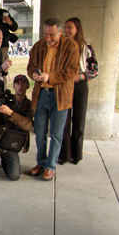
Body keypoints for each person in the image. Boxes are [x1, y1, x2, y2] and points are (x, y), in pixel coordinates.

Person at [27, 18, 80, 181]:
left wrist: (50, 76)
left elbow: (72, 71)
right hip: (42, 94)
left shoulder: (71, 46)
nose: (48, 39)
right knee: (40, 132)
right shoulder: (38, 46)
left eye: (52, 35)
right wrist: (34, 74)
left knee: (56, 133)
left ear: (60, 32)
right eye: (45, 35)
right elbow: (30, 67)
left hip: (60, 96)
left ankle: (51, 166)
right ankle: (41, 162)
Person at [59, 17, 99, 165]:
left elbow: (94, 70)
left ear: (77, 29)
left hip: (80, 86)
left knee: (79, 121)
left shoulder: (86, 47)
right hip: (65, 86)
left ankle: (76, 154)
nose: (67, 30)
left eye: (70, 27)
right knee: (64, 121)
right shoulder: (61, 47)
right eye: (66, 27)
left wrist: (80, 77)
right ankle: (64, 154)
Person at [0, 75, 34, 180]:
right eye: (17, 84)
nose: (20, 86)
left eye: (23, 84)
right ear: (14, 86)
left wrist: (10, 113)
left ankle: (5, 159)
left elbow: (28, 124)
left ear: (28, 86)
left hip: (12, 144)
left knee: (14, 176)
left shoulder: (29, 104)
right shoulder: (6, 100)